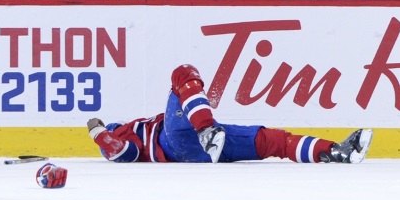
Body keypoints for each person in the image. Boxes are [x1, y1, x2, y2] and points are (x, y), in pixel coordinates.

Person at [87, 64, 373, 164]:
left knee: (271, 140)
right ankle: (206, 129)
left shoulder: (133, 127)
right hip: (177, 142)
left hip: (201, 152)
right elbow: (124, 153)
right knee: (183, 73)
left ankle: (336, 152)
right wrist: (99, 133)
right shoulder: (120, 133)